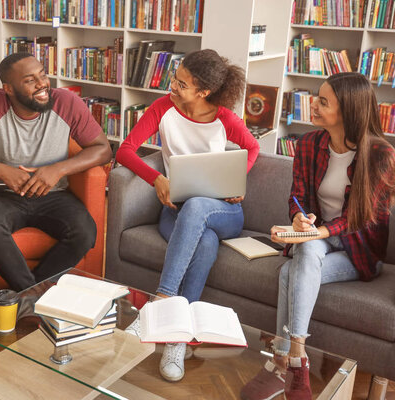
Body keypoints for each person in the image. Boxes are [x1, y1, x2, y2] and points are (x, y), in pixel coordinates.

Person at [241, 72, 395, 400]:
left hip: (360, 249)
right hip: (318, 240)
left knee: (290, 269)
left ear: (349, 111)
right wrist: (299, 217)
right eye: (317, 97)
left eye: (323, 101)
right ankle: (296, 360)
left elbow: (363, 217)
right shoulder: (309, 143)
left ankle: (281, 363)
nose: (314, 104)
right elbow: (297, 195)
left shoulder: (380, 154)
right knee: (307, 253)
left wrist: (319, 231)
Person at [116, 49, 260, 382]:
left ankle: (158, 303)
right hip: (175, 211)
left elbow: (252, 148)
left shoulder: (225, 119)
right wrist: (158, 178)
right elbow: (125, 150)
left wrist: (240, 180)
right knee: (205, 243)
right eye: (175, 78)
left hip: (224, 210)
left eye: (181, 83)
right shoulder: (162, 108)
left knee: (198, 206)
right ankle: (177, 339)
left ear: (203, 92)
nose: (172, 86)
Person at [0, 52, 112, 291]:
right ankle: (35, 296)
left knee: (85, 232)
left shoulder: (68, 103)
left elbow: (103, 150)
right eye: (30, 80)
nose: (42, 84)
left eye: (42, 75)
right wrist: (1, 171)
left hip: (54, 194)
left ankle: (29, 295)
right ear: (8, 89)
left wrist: (57, 170)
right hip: (1, 196)